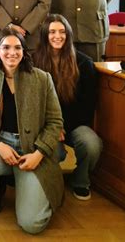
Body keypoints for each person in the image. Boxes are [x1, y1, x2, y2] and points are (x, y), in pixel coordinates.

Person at [0, 27, 63, 235]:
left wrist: (39, 153)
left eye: (17, 48)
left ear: (24, 52)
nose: (12, 53)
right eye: (5, 47)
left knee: (32, 224)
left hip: (32, 150)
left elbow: (55, 122)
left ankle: (25, 183)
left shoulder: (43, 79)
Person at [33, 14, 102, 201]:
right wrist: (53, 127)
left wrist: (62, 126)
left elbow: (88, 106)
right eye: (52, 32)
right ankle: (50, 185)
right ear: (45, 35)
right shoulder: (32, 62)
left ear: (69, 35)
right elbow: (32, 102)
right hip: (45, 126)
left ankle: (80, 181)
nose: (58, 36)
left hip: (74, 124)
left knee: (91, 143)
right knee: (54, 151)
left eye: (62, 32)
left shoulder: (84, 63)